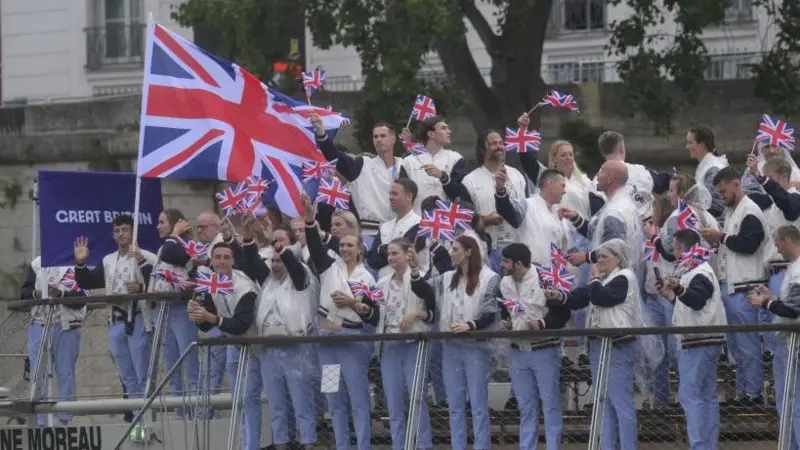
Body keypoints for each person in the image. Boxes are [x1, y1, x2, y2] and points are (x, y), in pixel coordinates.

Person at [545, 239, 648, 450]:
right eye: (598, 257)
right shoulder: (603, 277)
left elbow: (602, 297)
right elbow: (581, 297)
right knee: (604, 403)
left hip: (618, 345)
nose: (599, 261)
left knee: (621, 402)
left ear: (617, 258)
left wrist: (593, 280)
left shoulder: (624, 277)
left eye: (604, 257)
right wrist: (561, 296)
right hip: (598, 346)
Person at [302, 195, 378, 450]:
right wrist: (310, 220)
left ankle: (363, 446)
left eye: (349, 245)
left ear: (359, 250)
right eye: (342, 245)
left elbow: (375, 314)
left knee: (358, 400)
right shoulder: (328, 267)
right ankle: (342, 446)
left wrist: (355, 304)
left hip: (352, 345)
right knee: (334, 400)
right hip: (327, 345)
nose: (345, 248)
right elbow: (313, 245)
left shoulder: (367, 277)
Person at [411, 235, 499, 450]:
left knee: (478, 403)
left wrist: (470, 325)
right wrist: (414, 269)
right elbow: (424, 290)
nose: (451, 253)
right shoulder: (446, 277)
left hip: (477, 346)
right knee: (455, 404)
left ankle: (481, 446)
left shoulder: (490, 277)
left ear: (469, 251)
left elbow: (490, 311)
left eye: (455, 249)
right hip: (450, 346)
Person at [240, 213, 319, 450]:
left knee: (301, 401)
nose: (275, 265)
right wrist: (247, 235)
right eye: (273, 261)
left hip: (296, 349)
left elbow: (293, 265)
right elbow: (254, 261)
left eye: (280, 260)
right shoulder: (269, 282)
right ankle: (282, 444)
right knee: (276, 404)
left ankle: (308, 443)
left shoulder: (300, 278)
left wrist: (275, 243)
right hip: (270, 350)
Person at [72, 214, 157, 418]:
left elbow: (159, 285)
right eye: (117, 231)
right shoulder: (109, 260)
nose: (121, 234)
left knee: (142, 374)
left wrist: (141, 287)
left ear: (133, 231)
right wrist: (81, 264)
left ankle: (148, 421)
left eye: (125, 229)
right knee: (127, 376)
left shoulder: (147, 256)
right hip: (116, 320)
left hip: (137, 318)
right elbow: (89, 282)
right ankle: (138, 419)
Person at [701, 166, 769, 406]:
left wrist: (721, 238)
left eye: (723, 191)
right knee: (737, 348)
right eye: (718, 192)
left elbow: (749, 245)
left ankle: (754, 392)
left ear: (736, 184)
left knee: (748, 344)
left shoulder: (749, 211)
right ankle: (742, 391)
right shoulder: (732, 212)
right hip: (732, 286)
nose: (721, 196)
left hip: (746, 288)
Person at [188, 241, 259, 449]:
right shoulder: (213, 282)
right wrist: (196, 314)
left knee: (252, 398)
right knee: (241, 400)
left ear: (233, 261)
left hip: (258, 345)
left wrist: (210, 318)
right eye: (217, 257)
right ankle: (247, 445)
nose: (221, 262)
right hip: (235, 345)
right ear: (211, 261)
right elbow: (207, 323)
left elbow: (240, 324)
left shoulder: (244, 286)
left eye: (226, 257)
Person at [499, 243, 570, 450]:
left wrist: (543, 324)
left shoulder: (544, 277)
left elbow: (563, 313)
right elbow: (507, 310)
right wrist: (506, 322)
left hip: (544, 349)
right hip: (517, 351)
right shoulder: (504, 283)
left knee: (550, 404)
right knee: (525, 406)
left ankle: (553, 447)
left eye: (506, 261)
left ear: (518, 263)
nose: (502, 265)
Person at [659, 229, 726, 449]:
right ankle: (708, 445)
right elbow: (693, 307)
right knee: (706, 396)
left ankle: (699, 445)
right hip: (704, 340)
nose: (676, 254)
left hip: (698, 341)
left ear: (684, 248)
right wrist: (671, 295)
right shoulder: (696, 272)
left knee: (691, 396)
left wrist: (678, 288)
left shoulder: (701, 272)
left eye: (677, 248)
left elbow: (696, 301)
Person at [374, 239, 436, 450]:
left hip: (413, 345)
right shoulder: (381, 283)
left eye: (395, 253)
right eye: (389, 254)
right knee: (393, 403)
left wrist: (415, 314)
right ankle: (398, 445)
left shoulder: (421, 277)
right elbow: (375, 315)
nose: (391, 258)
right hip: (389, 345)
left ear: (407, 254)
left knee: (417, 400)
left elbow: (433, 314)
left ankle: (424, 445)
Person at [748, 224, 800, 449]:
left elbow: (795, 310)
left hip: (794, 345)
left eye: (777, 243)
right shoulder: (794, 269)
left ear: (788, 240)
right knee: (790, 401)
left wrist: (767, 303)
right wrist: (772, 296)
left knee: (795, 403)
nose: (776, 249)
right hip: (789, 343)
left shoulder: (798, 271)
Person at [311, 112, 402, 239]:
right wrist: (322, 135)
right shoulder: (362, 165)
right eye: (375, 137)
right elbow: (336, 157)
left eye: (383, 136)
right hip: (369, 233)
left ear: (393, 139)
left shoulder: (404, 166)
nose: (379, 139)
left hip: (398, 232)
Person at [20, 257, 88, 426]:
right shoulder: (36, 263)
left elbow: (83, 298)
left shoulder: (77, 263)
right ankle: (41, 421)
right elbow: (23, 293)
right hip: (39, 324)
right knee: (38, 373)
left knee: (65, 373)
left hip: (66, 326)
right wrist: (36, 293)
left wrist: (62, 294)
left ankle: (65, 421)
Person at [148, 209, 201, 419]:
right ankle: (180, 415)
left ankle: (199, 414)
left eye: (162, 222)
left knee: (189, 363)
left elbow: (172, 255)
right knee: (171, 366)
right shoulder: (167, 245)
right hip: (164, 308)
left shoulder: (185, 246)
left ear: (175, 224)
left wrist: (175, 235)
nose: (157, 226)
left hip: (181, 308)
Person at [452, 129, 528, 273]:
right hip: (489, 249)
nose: (499, 146)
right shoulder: (470, 181)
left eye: (501, 143)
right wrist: (485, 219)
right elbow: (462, 219)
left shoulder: (517, 175)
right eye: (493, 143)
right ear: (482, 149)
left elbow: (526, 209)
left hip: (518, 248)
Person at [748, 157, 800, 359]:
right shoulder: (773, 204)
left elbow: (785, 202)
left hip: (789, 270)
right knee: (773, 337)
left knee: (785, 335)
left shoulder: (793, 200)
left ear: (785, 177)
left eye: (771, 178)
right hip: (773, 272)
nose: (766, 185)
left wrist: (761, 179)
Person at [562, 161, 642, 264]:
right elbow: (597, 233)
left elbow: (614, 250)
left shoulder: (614, 211)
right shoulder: (624, 203)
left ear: (610, 179)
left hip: (613, 275)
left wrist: (586, 257)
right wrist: (576, 218)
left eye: (601, 171)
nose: (597, 176)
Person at [494, 168, 571, 266]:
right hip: (530, 273)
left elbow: (566, 248)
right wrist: (500, 189)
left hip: (554, 275)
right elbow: (505, 210)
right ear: (550, 183)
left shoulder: (559, 213)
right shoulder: (526, 205)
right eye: (562, 186)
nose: (564, 191)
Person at [591, 130, 671, 220]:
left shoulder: (595, 186)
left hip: (620, 230)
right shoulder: (641, 171)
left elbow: (596, 221)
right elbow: (666, 184)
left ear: (602, 152)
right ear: (621, 148)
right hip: (650, 227)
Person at [399, 115, 469, 212]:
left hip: (445, 223)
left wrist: (444, 177)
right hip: (417, 222)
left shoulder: (456, 159)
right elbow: (402, 197)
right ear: (431, 134)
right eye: (443, 128)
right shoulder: (408, 162)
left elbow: (461, 196)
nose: (449, 131)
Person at [366, 179, 428, 279]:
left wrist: (381, 249)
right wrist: (390, 251)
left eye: (395, 194)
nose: (390, 197)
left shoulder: (421, 225)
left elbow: (404, 255)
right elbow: (372, 261)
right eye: (390, 194)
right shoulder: (385, 227)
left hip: (410, 284)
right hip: (384, 284)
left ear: (409, 196)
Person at [687, 125, 728, 223]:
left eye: (690, 143)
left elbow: (716, 206)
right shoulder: (705, 165)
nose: (687, 146)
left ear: (702, 144)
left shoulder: (713, 169)